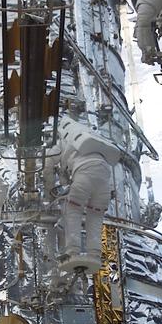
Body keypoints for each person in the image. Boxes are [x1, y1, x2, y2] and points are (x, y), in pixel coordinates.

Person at [52, 114, 118, 271]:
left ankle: (72, 251)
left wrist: (49, 184)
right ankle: (94, 254)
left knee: (72, 210)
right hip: (104, 177)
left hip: (84, 173)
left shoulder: (62, 141)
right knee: (95, 215)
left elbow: (49, 162)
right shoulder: (90, 137)